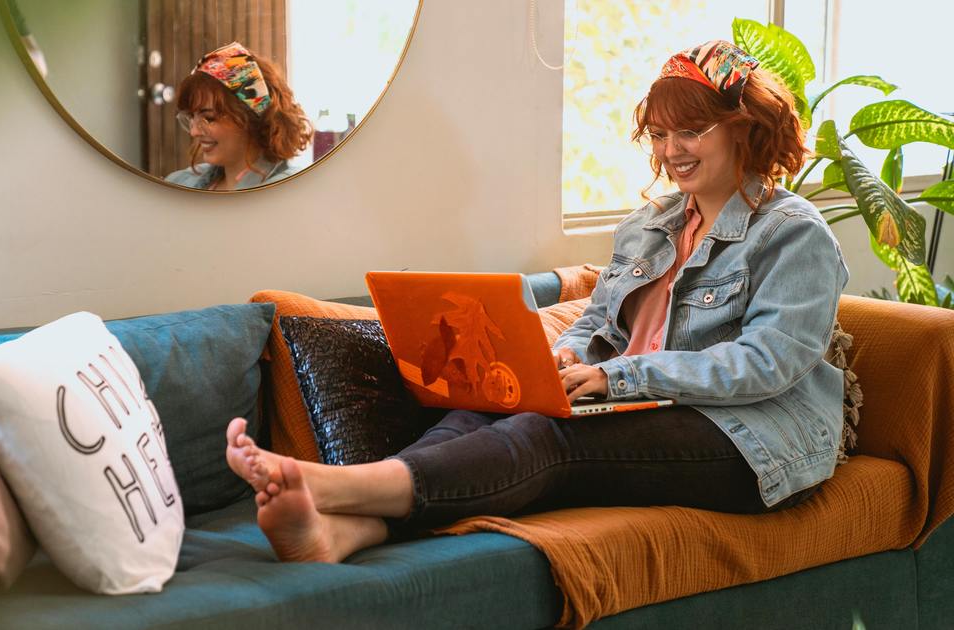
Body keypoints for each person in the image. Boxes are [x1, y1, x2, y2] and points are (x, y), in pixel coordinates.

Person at [224, 40, 849, 563]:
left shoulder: (792, 233)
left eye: (690, 131)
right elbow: (601, 322)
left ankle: (333, 485)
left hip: (749, 439)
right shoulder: (649, 225)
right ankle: (347, 530)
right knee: (481, 413)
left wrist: (614, 376)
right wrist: (557, 360)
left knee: (547, 437)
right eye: (659, 135)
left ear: (746, 128)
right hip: (639, 398)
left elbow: (766, 363)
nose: (670, 151)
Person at [166, 42, 313, 191]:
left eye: (209, 118)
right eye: (191, 117)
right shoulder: (179, 183)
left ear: (251, 117)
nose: (194, 132)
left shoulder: (290, 191)